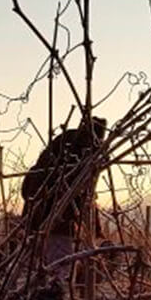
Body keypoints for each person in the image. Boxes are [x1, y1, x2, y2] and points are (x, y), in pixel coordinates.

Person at [21, 117, 107, 274]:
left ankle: (40, 293)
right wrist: (94, 227)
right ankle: (53, 291)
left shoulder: (60, 147)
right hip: (58, 221)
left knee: (36, 270)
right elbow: (84, 195)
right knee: (59, 269)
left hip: (36, 218)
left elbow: (28, 187)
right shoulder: (83, 156)